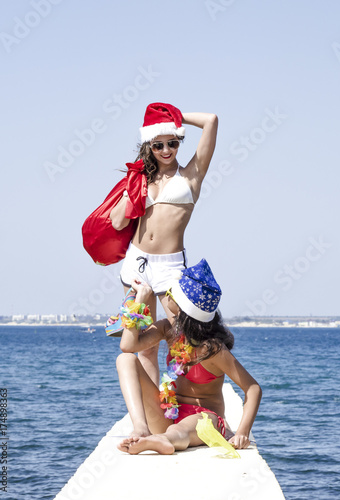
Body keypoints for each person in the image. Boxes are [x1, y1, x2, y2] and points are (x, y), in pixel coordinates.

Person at [109, 103, 218, 385]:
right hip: (136, 263)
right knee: (144, 344)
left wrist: (171, 118)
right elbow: (118, 222)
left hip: (170, 267)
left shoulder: (192, 175)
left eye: (172, 142)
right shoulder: (140, 178)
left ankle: (186, 400)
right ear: (149, 145)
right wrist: (131, 190)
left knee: (182, 336)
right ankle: (152, 413)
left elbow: (211, 120)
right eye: (159, 145)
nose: (166, 150)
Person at [116, 259, 262, 455]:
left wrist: (242, 432)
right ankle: (142, 428)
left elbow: (252, 388)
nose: (165, 296)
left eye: (169, 293)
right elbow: (127, 345)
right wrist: (139, 299)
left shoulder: (213, 350)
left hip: (204, 419)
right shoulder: (168, 330)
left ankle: (163, 442)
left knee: (178, 430)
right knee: (125, 360)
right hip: (168, 412)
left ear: (180, 307)